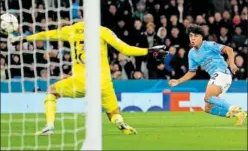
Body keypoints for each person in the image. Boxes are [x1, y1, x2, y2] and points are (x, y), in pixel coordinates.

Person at [9, 21, 168, 135]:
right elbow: (126, 49)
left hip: (81, 82)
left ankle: (49, 125)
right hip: (103, 82)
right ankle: (119, 121)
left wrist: (24, 38)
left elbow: (47, 35)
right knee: (113, 112)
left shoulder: (71, 30)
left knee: (52, 91)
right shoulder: (103, 31)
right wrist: (150, 51)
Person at [168, 25, 247, 125]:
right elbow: (192, 72)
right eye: (191, 36)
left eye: (196, 36)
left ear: (201, 37)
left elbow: (229, 49)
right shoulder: (191, 53)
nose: (192, 38)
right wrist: (178, 81)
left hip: (222, 72)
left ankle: (233, 108)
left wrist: (232, 64)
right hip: (221, 77)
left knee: (207, 98)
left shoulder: (209, 45)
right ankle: (239, 114)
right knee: (208, 108)